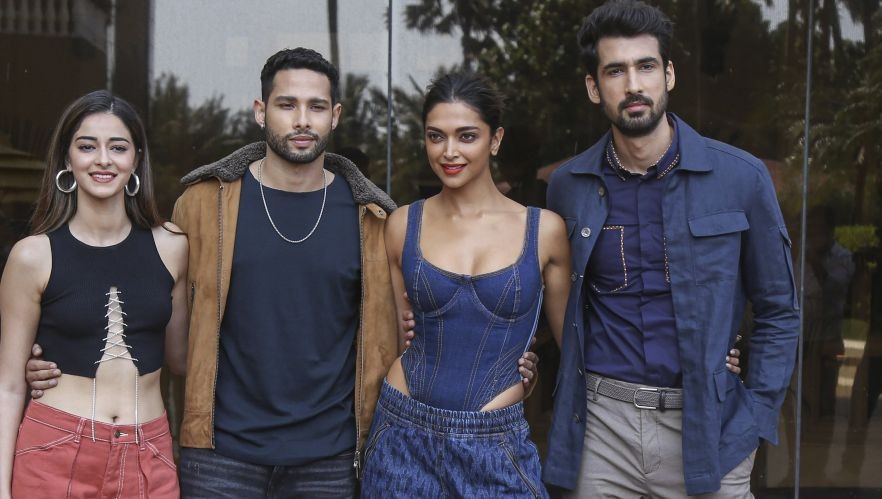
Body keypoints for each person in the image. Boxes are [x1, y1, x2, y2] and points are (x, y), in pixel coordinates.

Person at [24, 48, 541, 498]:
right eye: (286, 104)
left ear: (335, 116)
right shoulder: (203, 206)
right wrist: (55, 357)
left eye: (316, 106)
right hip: (220, 454)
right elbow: (140, 293)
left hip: (330, 459)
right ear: (260, 111)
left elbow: (424, 318)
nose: (301, 119)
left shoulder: (373, 219)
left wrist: (509, 360)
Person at [542, 1, 800, 497]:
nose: (633, 84)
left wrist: (754, 416)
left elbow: (779, 310)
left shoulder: (740, 178)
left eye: (646, 66)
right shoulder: (568, 186)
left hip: (708, 428)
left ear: (670, 75)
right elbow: (552, 296)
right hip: (601, 430)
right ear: (594, 87)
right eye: (615, 70)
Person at [360, 72, 571, 499]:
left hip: (495, 443)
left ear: (495, 140)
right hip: (402, 430)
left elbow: (574, 345)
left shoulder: (544, 230)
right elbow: (395, 333)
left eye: (467, 136)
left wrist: (529, 368)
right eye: (436, 136)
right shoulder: (402, 224)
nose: (449, 151)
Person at [0, 91, 189, 499]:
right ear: (67, 159)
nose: (103, 159)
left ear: (136, 159)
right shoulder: (33, 255)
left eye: (118, 147)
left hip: (149, 452)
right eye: (87, 146)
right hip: (53, 448)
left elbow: (183, 359)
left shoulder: (173, 244)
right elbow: (10, 386)